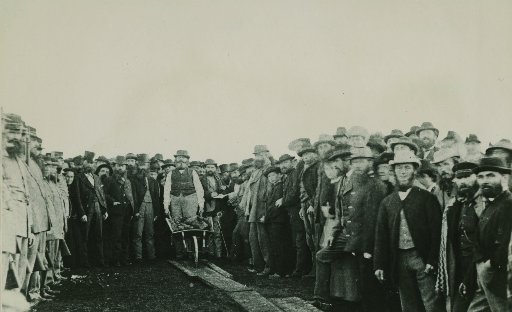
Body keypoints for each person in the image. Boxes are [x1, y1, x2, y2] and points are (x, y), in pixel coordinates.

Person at [374, 151, 442, 312]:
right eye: (399, 168)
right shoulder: (388, 202)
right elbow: (381, 235)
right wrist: (379, 264)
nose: (403, 171)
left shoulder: (426, 198)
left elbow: (436, 232)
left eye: (407, 167)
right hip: (399, 260)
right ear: (394, 171)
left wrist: (432, 260)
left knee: (431, 303)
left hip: (422, 259)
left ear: (414, 171)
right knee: (408, 304)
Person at [468, 157, 512, 311]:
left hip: (497, 274)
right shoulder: (492, 202)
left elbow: (506, 242)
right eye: (480, 177)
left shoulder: (508, 203)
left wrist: (490, 265)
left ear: (504, 178)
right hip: (484, 271)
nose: (484, 181)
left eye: (490, 175)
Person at [444, 162, 480, 312]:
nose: (463, 181)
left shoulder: (483, 204)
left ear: (476, 178)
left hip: (479, 266)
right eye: (460, 177)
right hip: (461, 265)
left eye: (467, 176)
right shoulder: (455, 206)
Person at [163, 150, 205, 259]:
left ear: (187, 160)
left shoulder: (192, 172)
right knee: (177, 225)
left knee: (191, 224)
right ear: (175, 161)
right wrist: (166, 206)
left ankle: (191, 252)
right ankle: (180, 253)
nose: (181, 160)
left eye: (183, 158)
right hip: (175, 200)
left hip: (190, 199)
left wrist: (201, 205)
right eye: (178, 158)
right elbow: (166, 190)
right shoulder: (171, 174)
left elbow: (199, 190)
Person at [242, 145, 272, 275]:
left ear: (266, 154)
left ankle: (268, 266)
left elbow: (269, 192)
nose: (257, 158)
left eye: (260, 155)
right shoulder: (255, 171)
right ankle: (258, 265)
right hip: (252, 210)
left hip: (261, 210)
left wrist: (265, 212)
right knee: (253, 238)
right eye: (256, 155)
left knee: (264, 240)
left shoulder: (269, 170)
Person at [77, 151, 108, 267]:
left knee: (98, 235)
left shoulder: (96, 177)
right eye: (87, 162)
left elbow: (102, 194)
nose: (89, 165)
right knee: (85, 235)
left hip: (98, 208)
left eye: (91, 162)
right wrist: (82, 213)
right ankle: (85, 262)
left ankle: (100, 261)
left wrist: (104, 210)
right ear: (83, 163)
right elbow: (78, 197)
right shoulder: (79, 178)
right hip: (86, 209)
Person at [103, 156, 134, 266]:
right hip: (116, 213)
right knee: (116, 236)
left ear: (125, 167)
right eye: (118, 165)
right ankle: (115, 260)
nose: (120, 168)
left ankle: (124, 259)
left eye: (123, 166)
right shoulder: (109, 180)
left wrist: (132, 209)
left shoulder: (128, 181)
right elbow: (104, 194)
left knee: (125, 236)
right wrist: (113, 201)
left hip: (127, 212)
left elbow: (131, 196)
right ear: (114, 166)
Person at [264, 166, 292, 278]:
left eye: (273, 175)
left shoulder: (279, 187)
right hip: (275, 220)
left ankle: (280, 272)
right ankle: (280, 270)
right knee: (277, 246)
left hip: (278, 221)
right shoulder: (275, 187)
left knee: (279, 246)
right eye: (269, 176)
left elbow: (275, 207)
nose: (271, 178)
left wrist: (266, 218)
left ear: (279, 175)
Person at [297, 142, 320, 277]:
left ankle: (317, 270)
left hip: (312, 205)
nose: (306, 157)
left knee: (314, 235)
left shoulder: (317, 168)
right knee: (309, 237)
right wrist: (302, 206)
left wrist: (312, 204)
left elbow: (317, 188)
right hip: (304, 205)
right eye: (304, 155)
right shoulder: (304, 168)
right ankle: (313, 268)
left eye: (308, 154)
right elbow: (302, 189)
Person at [200, 159, 228, 259]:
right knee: (208, 232)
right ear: (205, 168)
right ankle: (210, 253)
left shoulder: (219, 179)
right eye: (208, 167)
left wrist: (222, 193)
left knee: (217, 232)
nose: (210, 169)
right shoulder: (201, 179)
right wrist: (210, 194)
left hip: (218, 208)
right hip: (206, 208)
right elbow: (200, 192)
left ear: (215, 168)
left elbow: (225, 190)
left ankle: (219, 254)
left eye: (212, 167)